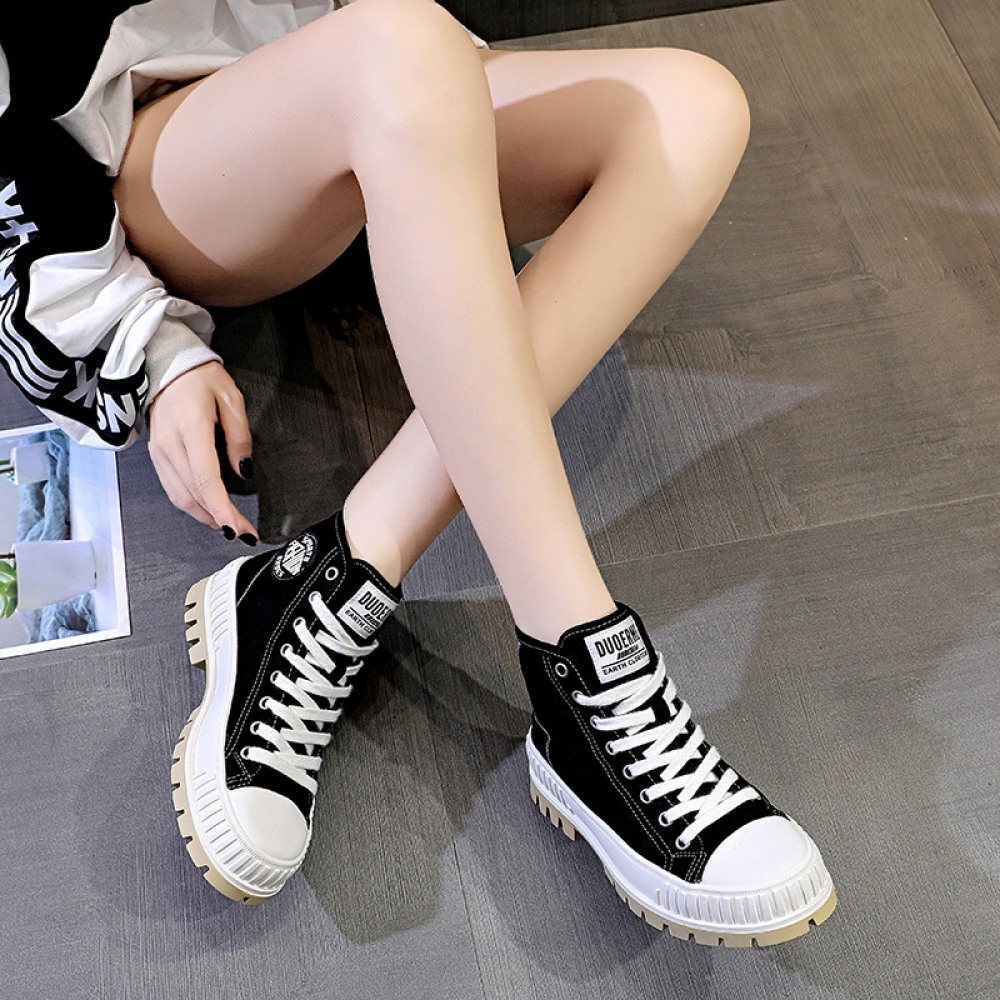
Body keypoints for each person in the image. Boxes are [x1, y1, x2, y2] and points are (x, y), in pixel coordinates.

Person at [0, 0, 836, 946]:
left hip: (372, 89)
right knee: (398, 46)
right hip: (159, 166)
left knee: (693, 107)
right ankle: (586, 672)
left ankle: (328, 576)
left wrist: (429, 133)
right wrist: (153, 352)